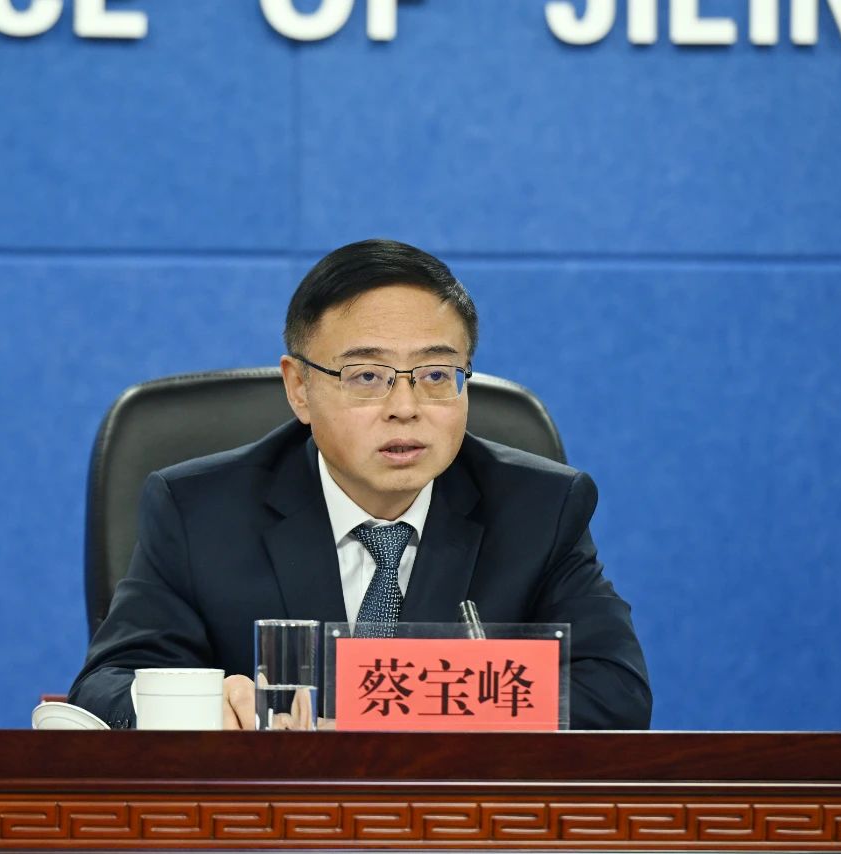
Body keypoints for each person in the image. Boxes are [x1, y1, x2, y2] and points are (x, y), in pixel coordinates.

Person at [69, 239, 651, 730]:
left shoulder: (540, 509)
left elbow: (614, 693)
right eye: (367, 376)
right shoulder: (200, 511)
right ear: (299, 388)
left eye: (436, 374)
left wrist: (388, 710)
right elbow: (105, 686)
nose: (406, 407)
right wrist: (201, 706)